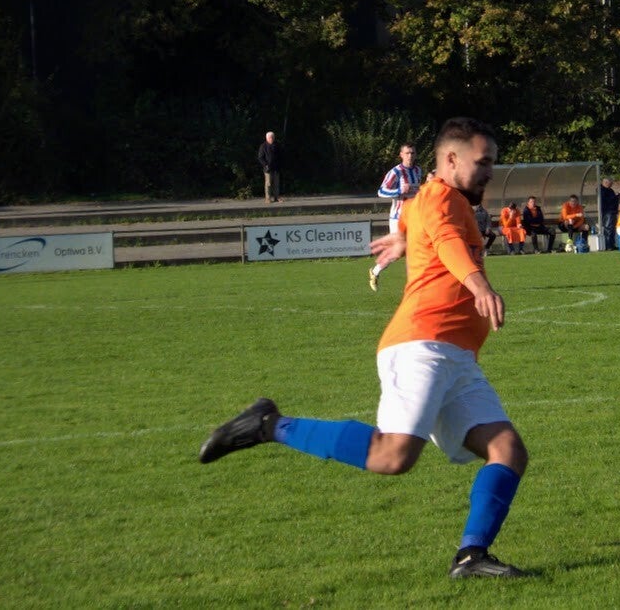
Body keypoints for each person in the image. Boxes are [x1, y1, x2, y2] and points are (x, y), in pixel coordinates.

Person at [200, 117, 529, 579]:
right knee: (393, 455)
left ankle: (471, 556)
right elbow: (448, 243)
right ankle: (269, 425)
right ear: (452, 160)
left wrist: (405, 239)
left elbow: (419, 221)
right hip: (422, 346)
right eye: (483, 162)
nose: (490, 172)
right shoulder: (440, 198)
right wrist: (479, 285)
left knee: (507, 449)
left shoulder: (431, 199)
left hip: (455, 356)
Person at [369, 143, 423, 291]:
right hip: (398, 217)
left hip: (414, 216)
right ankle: (375, 272)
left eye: (412, 153)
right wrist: (399, 190)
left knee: (415, 249)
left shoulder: (418, 171)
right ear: (401, 155)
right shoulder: (396, 172)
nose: (410, 156)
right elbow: (381, 191)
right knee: (397, 251)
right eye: (407, 153)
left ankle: (415, 283)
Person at [257, 131, 283, 204]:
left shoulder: (277, 145)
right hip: (268, 169)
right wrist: (265, 165)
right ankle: (268, 198)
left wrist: (280, 164)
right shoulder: (263, 146)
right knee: (268, 184)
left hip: (276, 168)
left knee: (276, 184)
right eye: (270, 137)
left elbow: (280, 156)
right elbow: (260, 157)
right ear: (267, 138)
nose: (272, 138)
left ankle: (276, 197)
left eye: (273, 137)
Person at [599, 177, 619, 251]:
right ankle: (608, 245)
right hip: (607, 212)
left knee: (612, 229)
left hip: (612, 211)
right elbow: (606, 201)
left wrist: (617, 197)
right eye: (611, 183)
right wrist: (615, 197)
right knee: (608, 229)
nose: (612, 184)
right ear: (606, 183)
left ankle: (612, 244)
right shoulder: (601, 190)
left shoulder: (610, 190)